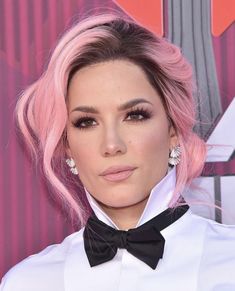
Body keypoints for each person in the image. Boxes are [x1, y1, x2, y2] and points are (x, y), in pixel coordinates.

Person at [1, 12, 235, 291]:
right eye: (86, 122)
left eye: (135, 116)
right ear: (67, 145)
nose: (112, 145)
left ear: (173, 129)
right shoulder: (27, 282)